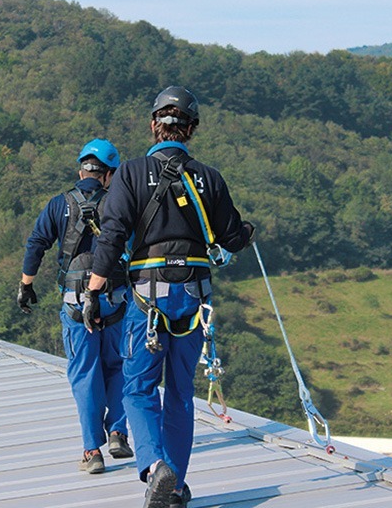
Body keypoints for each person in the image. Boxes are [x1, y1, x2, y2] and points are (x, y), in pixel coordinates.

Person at [83, 87, 254, 508]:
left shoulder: (130, 173)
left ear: (153, 124)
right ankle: (175, 487)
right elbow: (231, 237)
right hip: (193, 298)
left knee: (138, 389)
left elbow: (112, 236)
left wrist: (93, 290)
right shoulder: (208, 178)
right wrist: (246, 232)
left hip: (148, 297)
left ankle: (155, 466)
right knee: (179, 392)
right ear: (191, 129)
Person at [17, 138, 134, 475]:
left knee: (85, 374)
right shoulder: (120, 203)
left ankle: (91, 451)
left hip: (74, 301)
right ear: (109, 174)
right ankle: (117, 433)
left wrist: (26, 285)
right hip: (115, 301)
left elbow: (36, 243)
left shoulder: (59, 205)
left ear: (81, 169)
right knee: (118, 368)